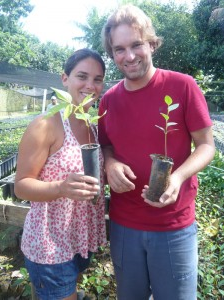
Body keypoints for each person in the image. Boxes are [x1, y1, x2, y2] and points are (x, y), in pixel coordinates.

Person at [98, 4, 215, 300]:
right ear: (112, 53)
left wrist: (177, 178)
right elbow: (105, 145)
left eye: (136, 44)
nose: (130, 55)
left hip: (173, 225)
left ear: (151, 42)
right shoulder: (109, 100)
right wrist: (110, 163)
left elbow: (206, 146)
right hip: (125, 225)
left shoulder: (182, 87)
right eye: (119, 49)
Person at [15, 48, 107, 300]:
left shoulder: (90, 123)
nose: (90, 85)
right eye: (82, 76)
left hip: (80, 240)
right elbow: (21, 186)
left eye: (97, 79)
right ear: (64, 78)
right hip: (51, 246)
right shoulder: (45, 125)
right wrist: (60, 188)